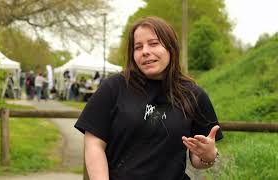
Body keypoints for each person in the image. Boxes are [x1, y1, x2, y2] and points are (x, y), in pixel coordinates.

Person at [74, 16, 223, 180]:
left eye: (153, 43)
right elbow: (94, 144)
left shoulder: (194, 95)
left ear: (171, 48)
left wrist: (209, 155)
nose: (145, 51)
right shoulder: (113, 87)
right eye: (138, 47)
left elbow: (197, 160)